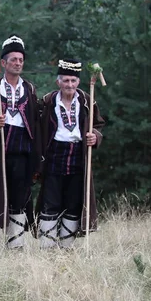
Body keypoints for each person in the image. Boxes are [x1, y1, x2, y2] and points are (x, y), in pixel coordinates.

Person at [0, 34, 41, 251]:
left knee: (19, 199)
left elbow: (36, 122)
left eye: (21, 60)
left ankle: (16, 245)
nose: (18, 63)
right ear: (2, 63)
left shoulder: (29, 90)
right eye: (13, 59)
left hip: (21, 152)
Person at [35, 59, 105, 249]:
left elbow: (97, 125)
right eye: (66, 81)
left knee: (73, 202)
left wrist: (94, 137)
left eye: (73, 81)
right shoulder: (48, 102)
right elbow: (37, 128)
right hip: (54, 156)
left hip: (77, 157)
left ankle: (66, 249)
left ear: (78, 82)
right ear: (58, 82)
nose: (69, 85)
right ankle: (46, 249)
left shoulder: (86, 101)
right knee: (50, 202)